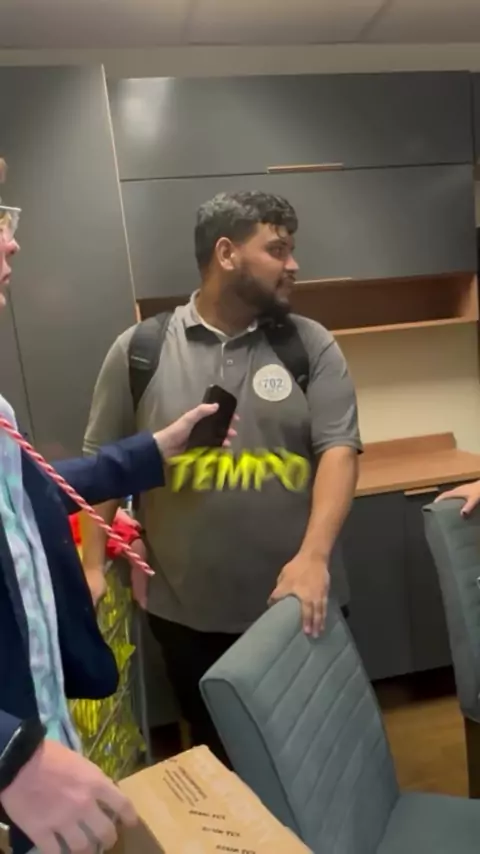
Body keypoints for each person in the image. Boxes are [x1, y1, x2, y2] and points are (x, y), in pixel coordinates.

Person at [0, 160, 235, 854]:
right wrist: (9, 753)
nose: (12, 239)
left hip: (38, 745)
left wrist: (155, 450)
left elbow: (27, 493)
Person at [82, 190, 362, 761]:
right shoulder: (141, 350)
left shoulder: (308, 345)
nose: (293, 264)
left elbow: (339, 449)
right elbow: (101, 464)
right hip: (187, 616)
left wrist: (313, 558)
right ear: (227, 253)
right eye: (277, 249)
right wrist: (89, 566)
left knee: (316, 759)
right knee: (222, 761)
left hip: (299, 606)